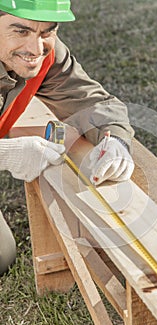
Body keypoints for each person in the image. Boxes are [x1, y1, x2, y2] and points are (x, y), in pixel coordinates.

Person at [0, 0, 135, 275]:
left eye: (47, 32)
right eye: (22, 31)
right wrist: (7, 154)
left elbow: (91, 103)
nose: (35, 50)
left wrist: (116, 140)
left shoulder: (45, 56)